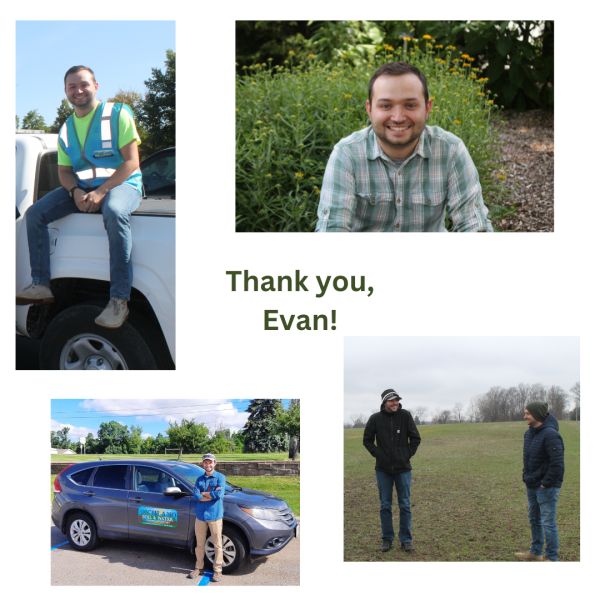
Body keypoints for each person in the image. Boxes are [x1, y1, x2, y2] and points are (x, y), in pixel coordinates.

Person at [16, 65, 143, 328]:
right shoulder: (66, 128)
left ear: (95, 86)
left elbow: (131, 162)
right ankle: (41, 285)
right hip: (83, 187)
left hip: (123, 184)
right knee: (36, 214)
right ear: (65, 92)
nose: (78, 90)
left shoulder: (117, 113)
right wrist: (75, 191)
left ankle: (119, 301)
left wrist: (100, 191)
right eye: (72, 86)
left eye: (84, 84)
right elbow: (64, 171)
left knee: (115, 211)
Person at [315, 61, 493, 232]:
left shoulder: (451, 151)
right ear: (369, 110)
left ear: (427, 108)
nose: (398, 117)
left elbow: (473, 224)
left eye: (410, 105)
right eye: (386, 106)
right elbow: (332, 230)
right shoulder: (346, 154)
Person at [363, 389, 421, 552]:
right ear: (384, 402)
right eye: (391, 401)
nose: (395, 403)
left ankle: (406, 540)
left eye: (397, 400)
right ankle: (387, 538)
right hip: (383, 470)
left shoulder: (405, 416)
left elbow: (415, 438)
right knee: (385, 505)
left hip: (403, 469)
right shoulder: (375, 419)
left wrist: (406, 455)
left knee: (405, 505)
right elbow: (367, 440)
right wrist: (378, 454)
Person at [515, 401, 564, 562]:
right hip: (532, 483)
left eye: (528, 413)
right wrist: (525, 475)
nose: (525, 416)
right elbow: (527, 459)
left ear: (537, 414)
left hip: (546, 486)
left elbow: (557, 464)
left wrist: (545, 483)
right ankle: (535, 552)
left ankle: (550, 557)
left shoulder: (551, 434)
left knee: (548, 522)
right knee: (533, 519)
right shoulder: (529, 433)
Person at [188, 454, 226, 582]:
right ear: (203, 464)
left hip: (215, 515)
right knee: (199, 544)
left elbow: (219, 495)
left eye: (210, 462)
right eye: (205, 463)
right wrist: (210, 494)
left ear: (215, 463)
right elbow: (196, 496)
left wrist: (204, 494)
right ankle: (198, 567)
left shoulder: (220, 477)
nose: (208, 465)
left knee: (217, 544)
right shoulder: (199, 479)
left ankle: (217, 570)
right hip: (201, 515)